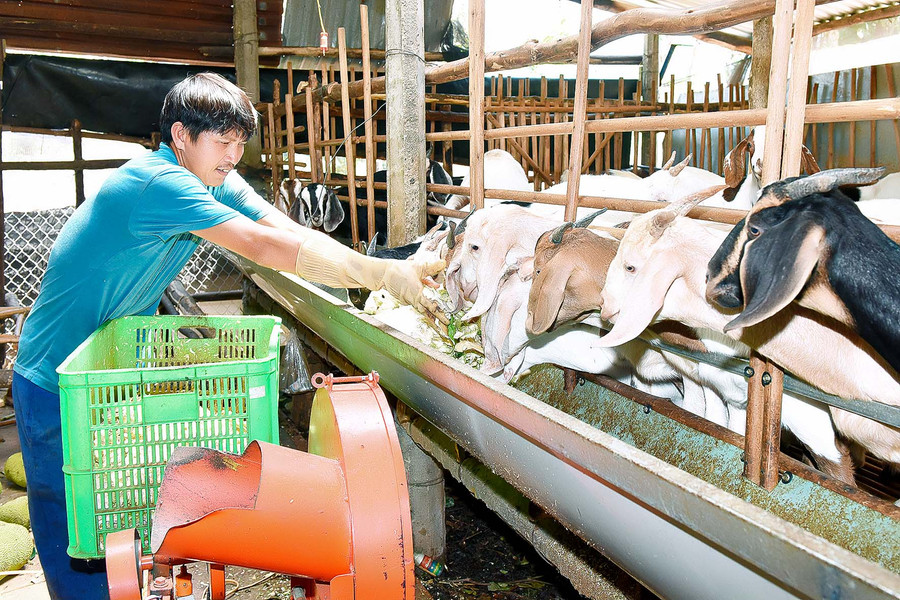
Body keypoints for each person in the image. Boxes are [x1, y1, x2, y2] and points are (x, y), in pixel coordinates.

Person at [11, 72, 443, 599]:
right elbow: (261, 247)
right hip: (52, 371)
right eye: (222, 141)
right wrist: (376, 277)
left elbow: (284, 229)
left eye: (240, 143)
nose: (233, 155)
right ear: (180, 136)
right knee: (67, 512)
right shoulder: (159, 185)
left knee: (105, 505)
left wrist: (378, 265)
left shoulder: (212, 177)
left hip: (104, 367)